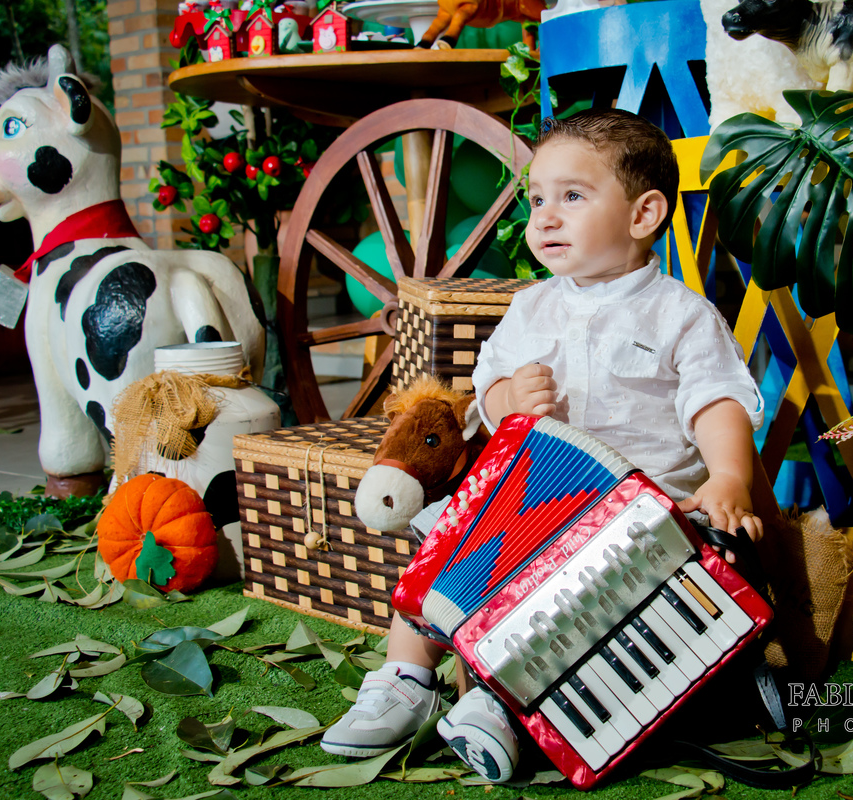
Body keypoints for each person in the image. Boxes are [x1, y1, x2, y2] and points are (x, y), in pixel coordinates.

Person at [322, 108, 765, 782]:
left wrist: (729, 475)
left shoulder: (679, 314)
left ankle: (504, 706)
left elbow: (716, 399)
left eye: (572, 196)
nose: (545, 218)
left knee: (575, 607)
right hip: (533, 500)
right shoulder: (531, 307)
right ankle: (407, 680)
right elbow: (487, 389)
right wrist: (508, 400)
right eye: (536, 200)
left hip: (639, 517)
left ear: (643, 215)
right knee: (446, 548)